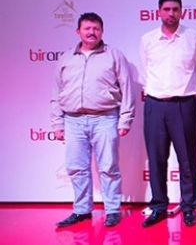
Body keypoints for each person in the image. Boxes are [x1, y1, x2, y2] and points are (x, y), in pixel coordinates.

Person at [51, 13, 135, 228]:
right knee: (76, 168)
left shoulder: (114, 55)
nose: (91, 32)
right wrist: (57, 122)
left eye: (96, 28)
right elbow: (57, 92)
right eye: (87, 28)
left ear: (102, 31)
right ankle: (82, 211)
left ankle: (112, 210)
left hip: (105, 118)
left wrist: (125, 119)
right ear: (78, 32)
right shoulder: (66, 58)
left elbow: (126, 88)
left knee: (109, 167)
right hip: (72, 120)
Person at [139, 0, 196, 228]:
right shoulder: (147, 40)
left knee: (187, 159)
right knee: (156, 158)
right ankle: (158, 206)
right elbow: (145, 74)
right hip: (155, 105)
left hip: (184, 105)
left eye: (175, 9)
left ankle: (188, 207)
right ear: (159, 12)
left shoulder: (193, 38)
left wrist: (185, 93)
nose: (171, 13)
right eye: (167, 9)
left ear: (181, 11)